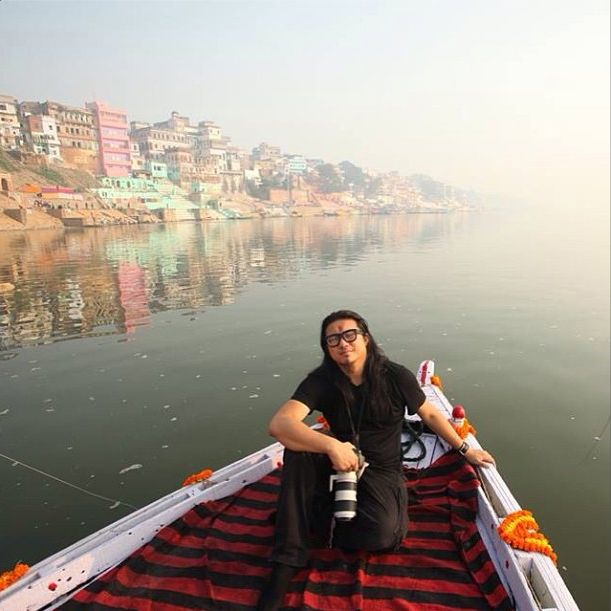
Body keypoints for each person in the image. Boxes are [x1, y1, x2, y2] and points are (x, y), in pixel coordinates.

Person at [256, 310, 495, 611]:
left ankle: (308, 516)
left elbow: (430, 414)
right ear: (327, 348)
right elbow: (279, 424)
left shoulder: (395, 376)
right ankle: (287, 559)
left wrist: (465, 450)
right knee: (298, 448)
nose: (343, 343)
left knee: (383, 535)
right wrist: (332, 446)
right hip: (340, 462)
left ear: (365, 338)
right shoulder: (321, 382)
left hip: (381, 470)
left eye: (349, 334)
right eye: (333, 339)